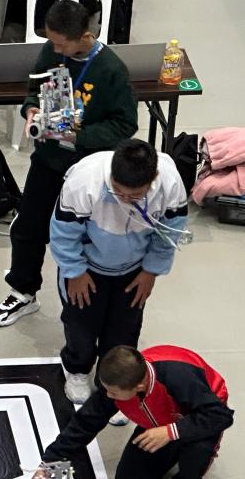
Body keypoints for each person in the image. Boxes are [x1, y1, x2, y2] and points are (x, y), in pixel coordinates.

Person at [0, 1, 136, 329]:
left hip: (88, 168)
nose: (55, 50)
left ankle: (87, 299)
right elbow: (34, 90)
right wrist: (31, 111)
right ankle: (23, 291)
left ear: (84, 36)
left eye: (61, 44)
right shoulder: (51, 52)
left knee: (84, 235)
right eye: (51, 42)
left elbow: (125, 125)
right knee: (28, 227)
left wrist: (78, 134)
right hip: (49, 158)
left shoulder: (111, 70)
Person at [27, 344, 233, 479]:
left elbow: (220, 416)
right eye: (106, 389)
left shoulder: (178, 377)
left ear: (139, 386)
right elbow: (85, 422)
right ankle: (173, 447)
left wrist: (171, 432)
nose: (108, 395)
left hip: (201, 417)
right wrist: (50, 461)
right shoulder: (119, 383)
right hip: (158, 420)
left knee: (198, 448)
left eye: (113, 393)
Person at [50, 139, 188, 407]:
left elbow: (169, 233)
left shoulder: (170, 183)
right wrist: (74, 271)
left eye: (134, 196)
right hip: (87, 267)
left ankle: (112, 383)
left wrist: (151, 271)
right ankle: (77, 370)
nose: (124, 200)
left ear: (153, 179)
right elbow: (63, 232)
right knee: (81, 325)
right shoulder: (84, 181)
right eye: (118, 191)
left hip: (134, 269)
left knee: (124, 329)